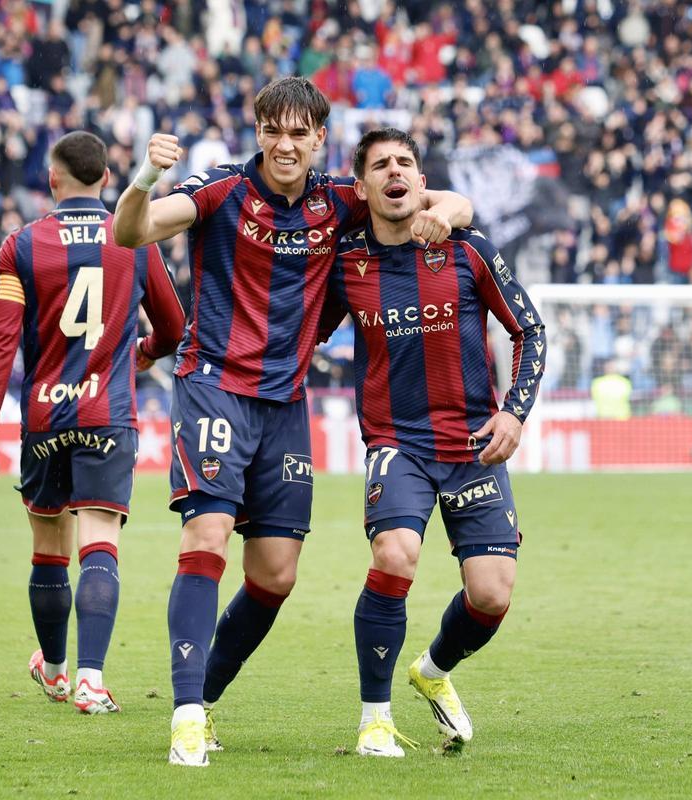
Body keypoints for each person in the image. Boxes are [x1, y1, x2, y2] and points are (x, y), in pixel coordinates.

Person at [112, 76, 472, 767]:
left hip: (285, 402)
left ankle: (204, 699)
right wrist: (146, 176)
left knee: (275, 575)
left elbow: (445, 201)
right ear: (258, 133)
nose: (285, 144)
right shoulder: (220, 190)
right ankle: (185, 718)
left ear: (319, 139)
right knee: (207, 533)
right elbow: (133, 231)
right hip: (214, 383)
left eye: (298, 133)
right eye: (273, 130)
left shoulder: (340, 199)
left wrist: (449, 212)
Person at [319, 128, 546, 757]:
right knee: (395, 554)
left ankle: (433, 670)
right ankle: (374, 719)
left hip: (473, 443)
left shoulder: (469, 249)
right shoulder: (346, 263)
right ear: (361, 186)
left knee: (492, 595)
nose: (394, 172)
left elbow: (529, 330)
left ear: (422, 183)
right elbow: (301, 328)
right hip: (398, 442)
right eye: (380, 165)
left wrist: (514, 414)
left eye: (405, 163)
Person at [0, 131, 184, 715]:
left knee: (48, 548)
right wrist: (143, 352)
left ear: (52, 179)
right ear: (107, 179)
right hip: (106, 413)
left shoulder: (21, 246)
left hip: (43, 414)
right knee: (99, 545)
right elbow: (173, 326)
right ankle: (91, 680)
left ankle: (56, 672)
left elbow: (3, 340)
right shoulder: (134, 239)